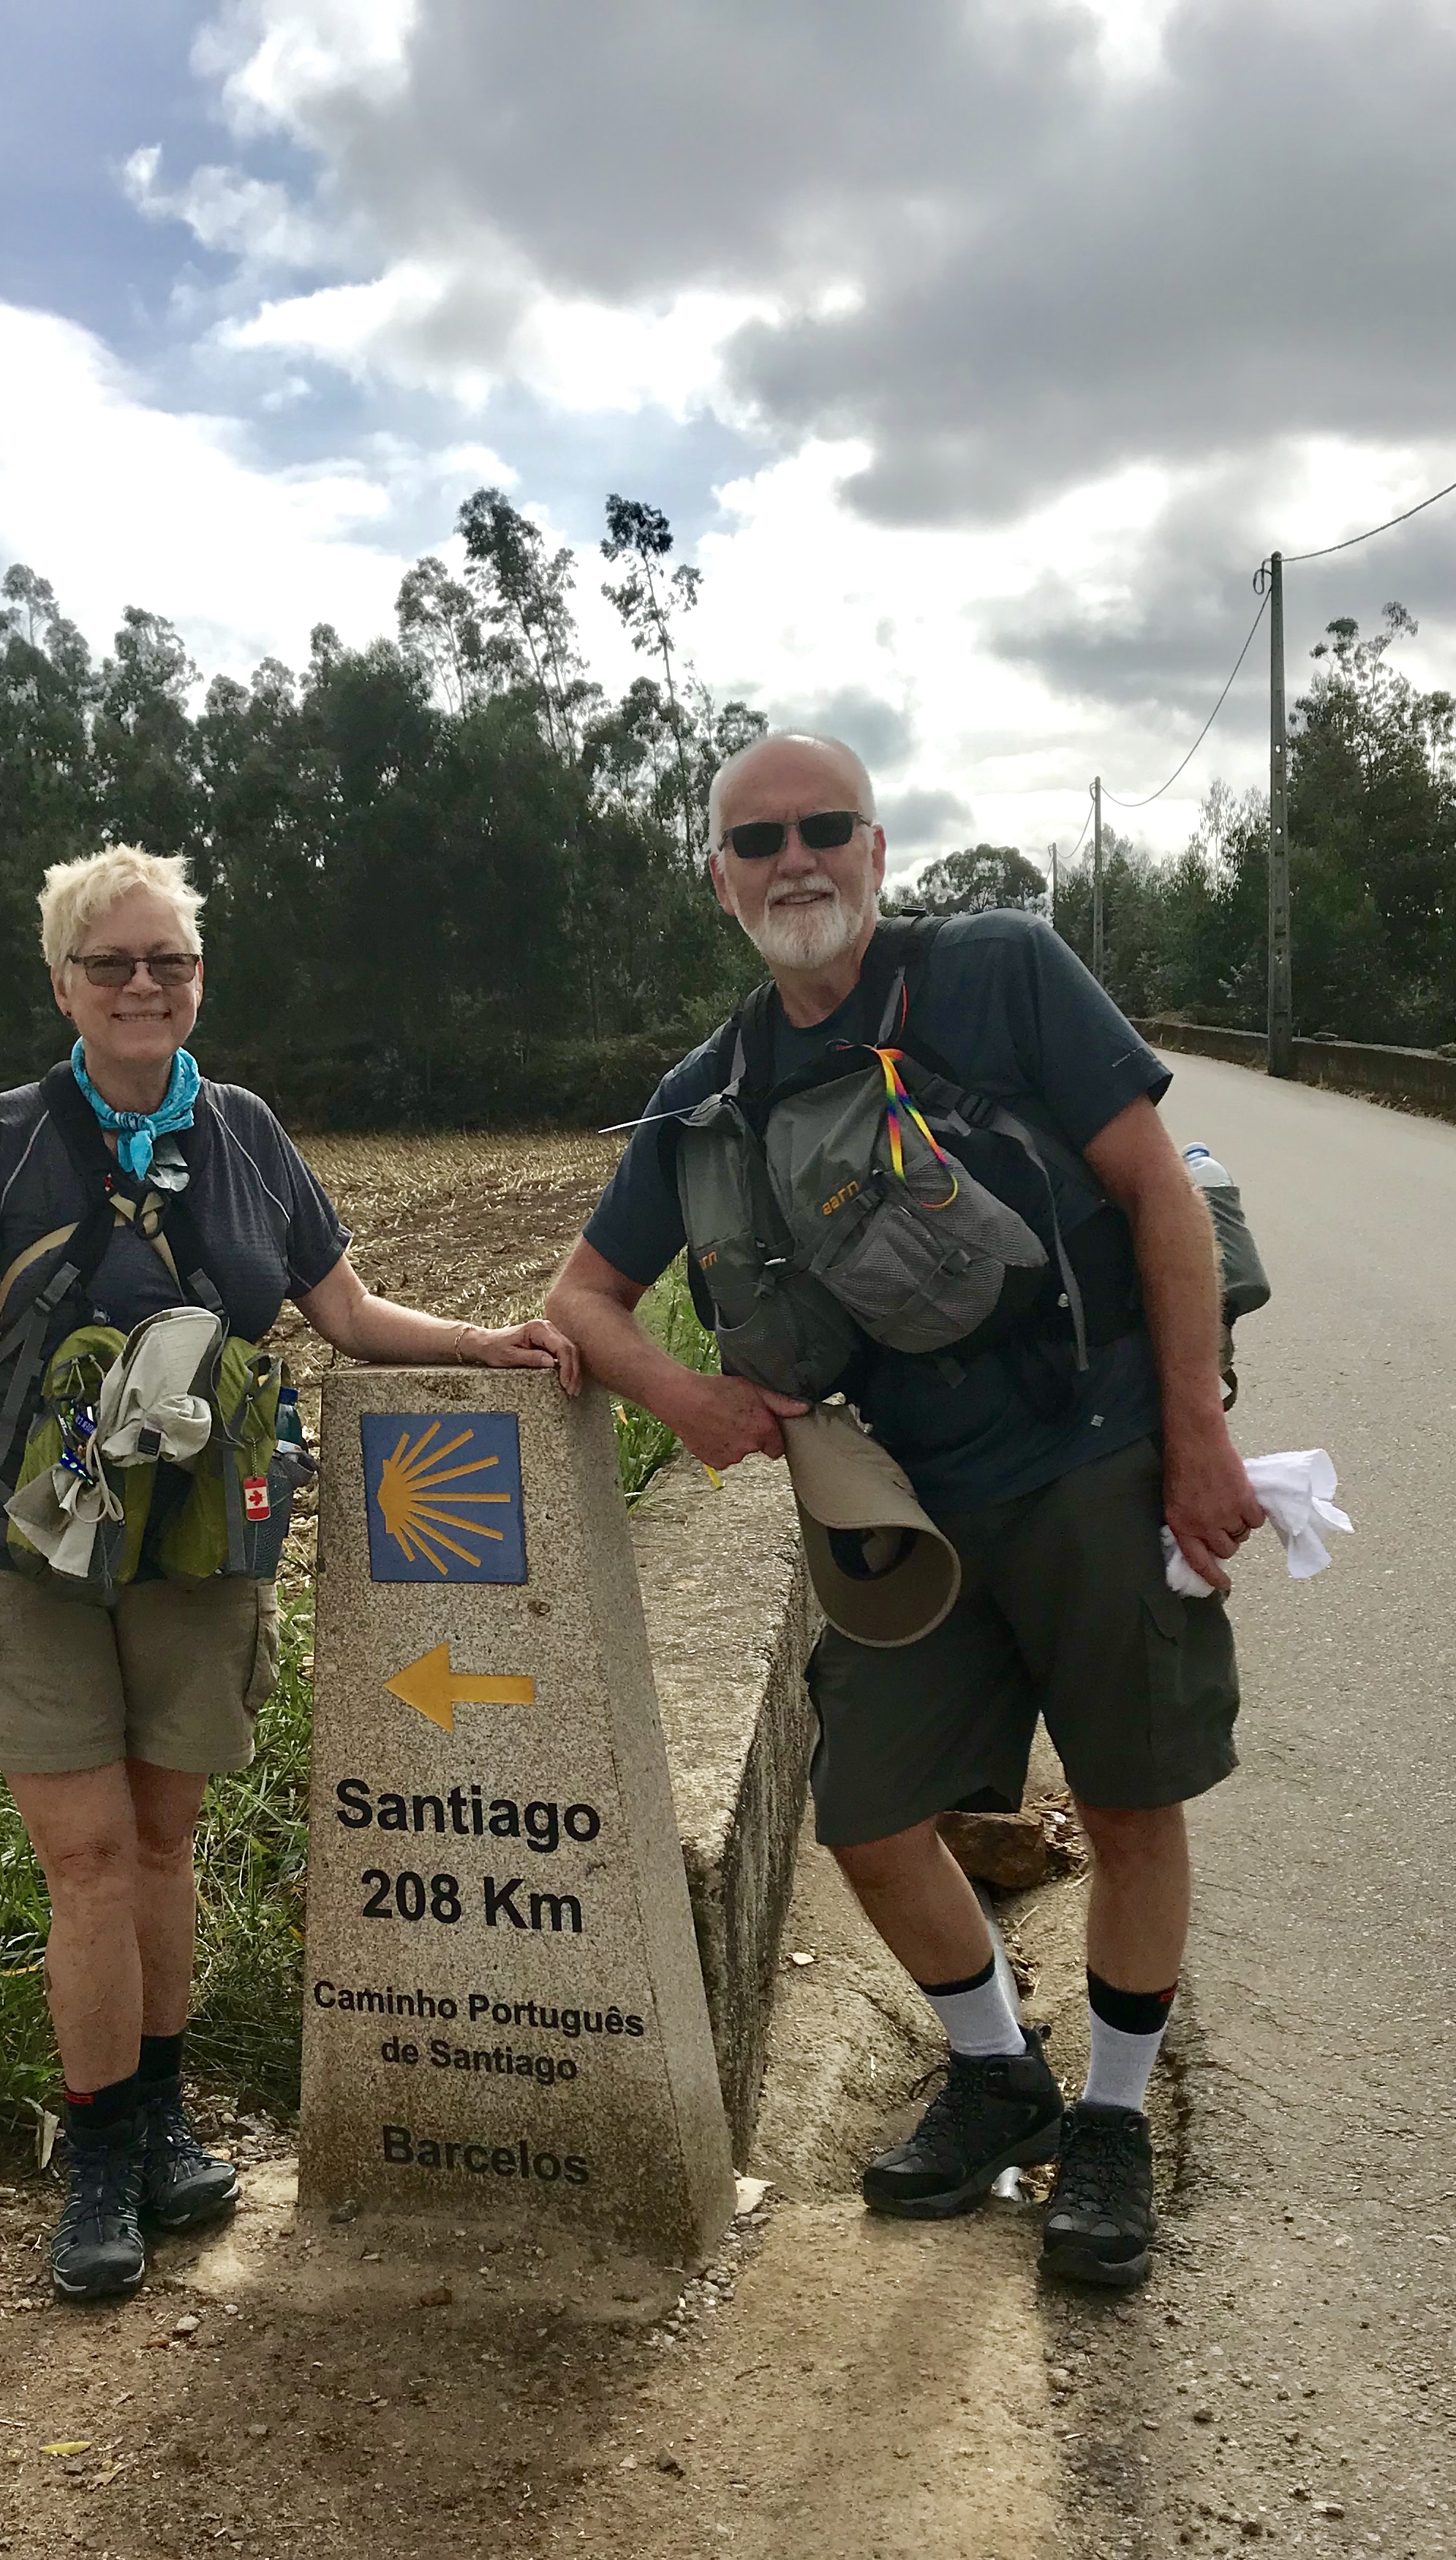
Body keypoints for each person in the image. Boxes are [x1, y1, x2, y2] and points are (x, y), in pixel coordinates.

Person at [547, 734, 1262, 2287]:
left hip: (1094, 1452)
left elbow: (1158, 1191)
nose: (793, 860)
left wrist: (1198, 1439)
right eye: (757, 842)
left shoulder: (1001, 973)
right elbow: (582, 1299)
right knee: (868, 1817)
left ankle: (1114, 2121)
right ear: (721, 881)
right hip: (905, 1508)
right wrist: (689, 1402)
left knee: (1130, 1803)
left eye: (825, 828)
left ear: (876, 852)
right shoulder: (708, 1096)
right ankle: (998, 2072)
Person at [0, 844, 578, 2300]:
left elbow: (345, 1310)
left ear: (199, 978)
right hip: (27, 1555)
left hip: (203, 1550)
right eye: (112, 963)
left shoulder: (249, 1135)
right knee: (87, 1858)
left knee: (161, 1848)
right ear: (64, 984)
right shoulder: (0, 1141)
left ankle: (162, 2121)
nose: (142, 984)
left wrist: (485, 1343)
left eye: (169, 961)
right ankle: (99, 2159)